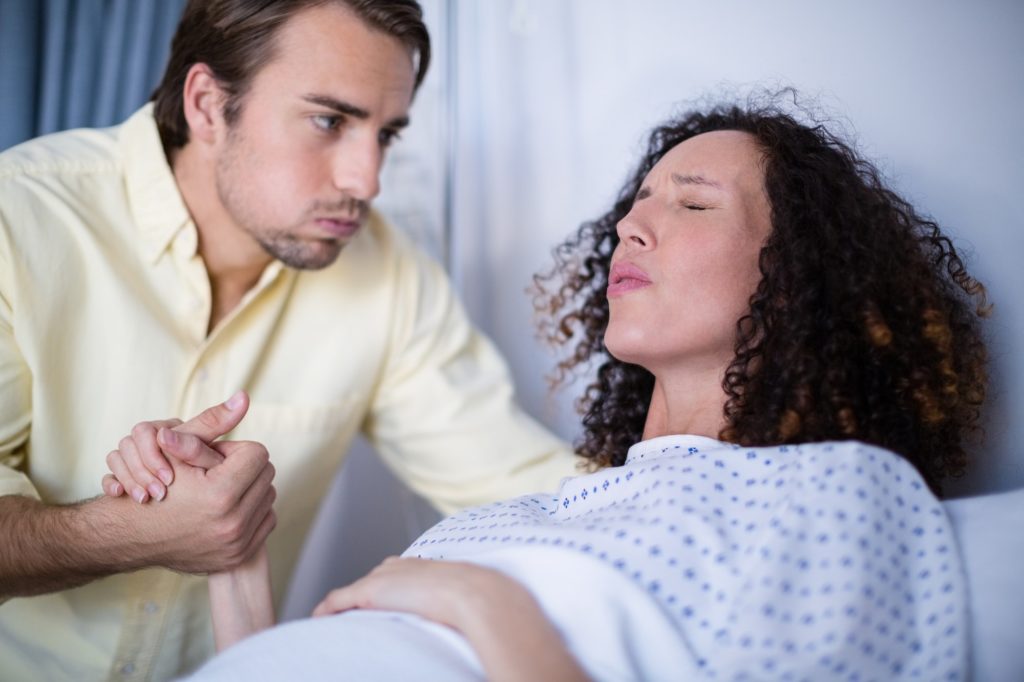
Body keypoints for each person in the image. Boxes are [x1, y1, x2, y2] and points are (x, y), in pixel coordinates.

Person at [114, 94, 989, 680]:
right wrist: (232, 560)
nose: (631, 227)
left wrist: (479, 601)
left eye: (690, 205)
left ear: (797, 276)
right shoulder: (543, 510)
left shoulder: (838, 494)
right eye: (636, 204)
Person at [0, 1, 576, 678]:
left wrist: (704, 487)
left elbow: (524, 485)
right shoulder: (19, 219)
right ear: (208, 105)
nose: (367, 180)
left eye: (385, 134)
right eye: (329, 121)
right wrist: (125, 532)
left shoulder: (389, 277)